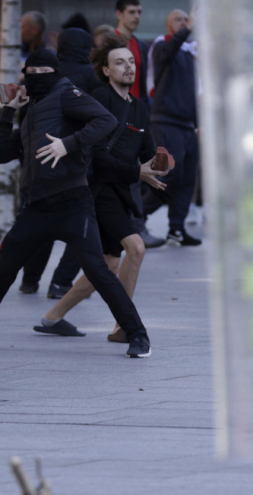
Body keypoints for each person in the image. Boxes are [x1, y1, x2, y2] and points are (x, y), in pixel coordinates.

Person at [0, 48, 152, 358]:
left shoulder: (66, 93)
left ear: (55, 73)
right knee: (4, 267)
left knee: (98, 269)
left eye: (46, 72)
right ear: (26, 76)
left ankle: (138, 336)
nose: (40, 78)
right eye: (34, 74)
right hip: (37, 208)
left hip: (73, 203)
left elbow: (105, 120)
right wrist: (6, 112)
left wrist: (68, 145)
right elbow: (3, 152)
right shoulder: (32, 110)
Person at [35, 36, 167, 344]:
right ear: (105, 70)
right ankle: (124, 327)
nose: (128, 67)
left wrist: (160, 166)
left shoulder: (138, 109)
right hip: (96, 190)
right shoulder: (98, 100)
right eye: (119, 62)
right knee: (135, 248)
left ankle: (52, 317)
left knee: (108, 264)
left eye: (131, 61)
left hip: (119, 193)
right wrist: (138, 172)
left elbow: (146, 152)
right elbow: (99, 156)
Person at [19, 27, 105, 298]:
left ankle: (30, 281)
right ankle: (60, 283)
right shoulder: (84, 77)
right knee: (81, 235)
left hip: (37, 167)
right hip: (76, 165)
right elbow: (102, 118)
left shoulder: (44, 74)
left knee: (40, 232)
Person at [142, 9, 201, 246]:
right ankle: (138, 213)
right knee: (171, 173)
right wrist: (188, 29)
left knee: (187, 178)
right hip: (165, 120)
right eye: (178, 19)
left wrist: (199, 124)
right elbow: (172, 47)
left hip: (187, 125)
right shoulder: (162, 46)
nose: (184, 23)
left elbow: (195, 93)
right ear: (168, 26)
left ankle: (176, 229)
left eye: (186, 19)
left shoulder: (190, 54)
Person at [115, 0, 164, 249]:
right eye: (132, 12)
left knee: (139, 170)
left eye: (140, 12)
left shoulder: (141, 45)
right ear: (119, 14)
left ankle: (137, 225)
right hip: (114, 118)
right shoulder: (112, 42)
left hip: (135, 115)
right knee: (127, 173)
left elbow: (142, 84)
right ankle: (132, 227)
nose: (137, 17)